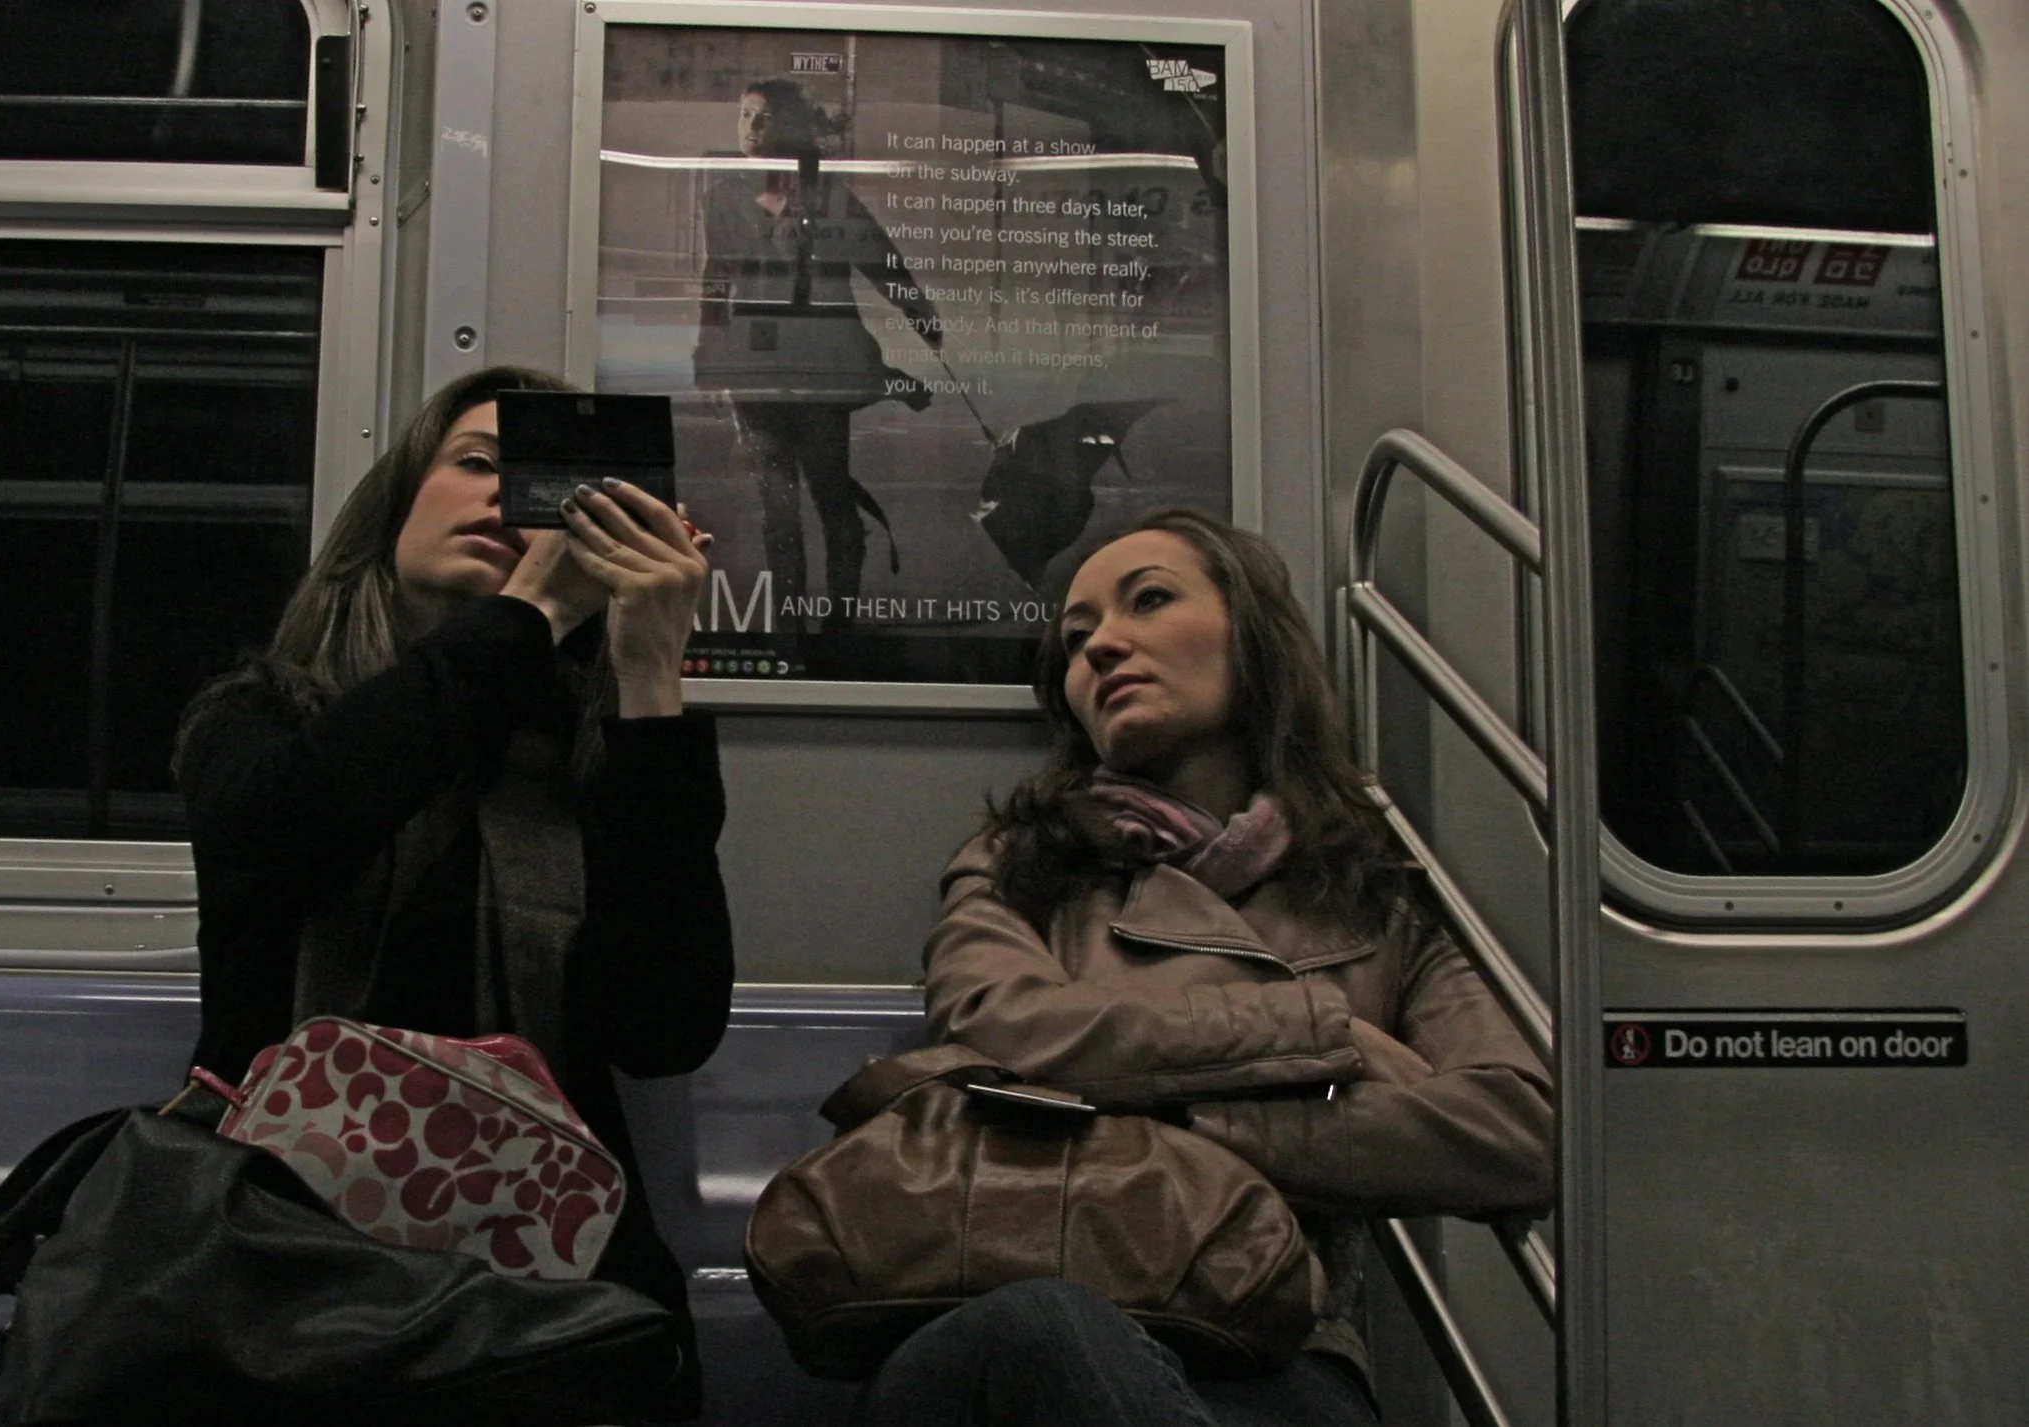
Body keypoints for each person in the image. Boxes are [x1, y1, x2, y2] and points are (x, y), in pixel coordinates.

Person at [874, 510, 1554, 1426]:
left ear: (1255, 638)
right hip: (1015, 1292)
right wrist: (1321, 1037)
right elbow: (996, 1029)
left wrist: (1183, 1114)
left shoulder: (1371, 901)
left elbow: (1515, 1129)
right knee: (1050, 1331)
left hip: (1274, 1334)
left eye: (1149, 601)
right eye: (1077, 643)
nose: (1105, 646)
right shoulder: (1019, 866)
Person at [174, 365, 734, 1421]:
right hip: (277, 1267)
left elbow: (665, 1024)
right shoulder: (257, 721)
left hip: (539, 1292)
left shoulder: (589, 761)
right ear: (390, 506)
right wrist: (528, 609)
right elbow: (290, 821)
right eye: (477, 462)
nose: (500, 498)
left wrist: (650, 675)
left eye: (540, 485)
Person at [695, 78, 942, 624]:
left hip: (817, 371)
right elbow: (716, 279)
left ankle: (840, 622)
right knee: (777, 511)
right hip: (754, 370)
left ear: (787, 126)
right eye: (744, 116)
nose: (751, 130)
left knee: (831, 494)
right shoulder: (725, 198)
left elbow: (882, 259)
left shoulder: (828, 199)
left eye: (762, 118)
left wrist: (920, 314)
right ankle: (790, 628)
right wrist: (707, 356)